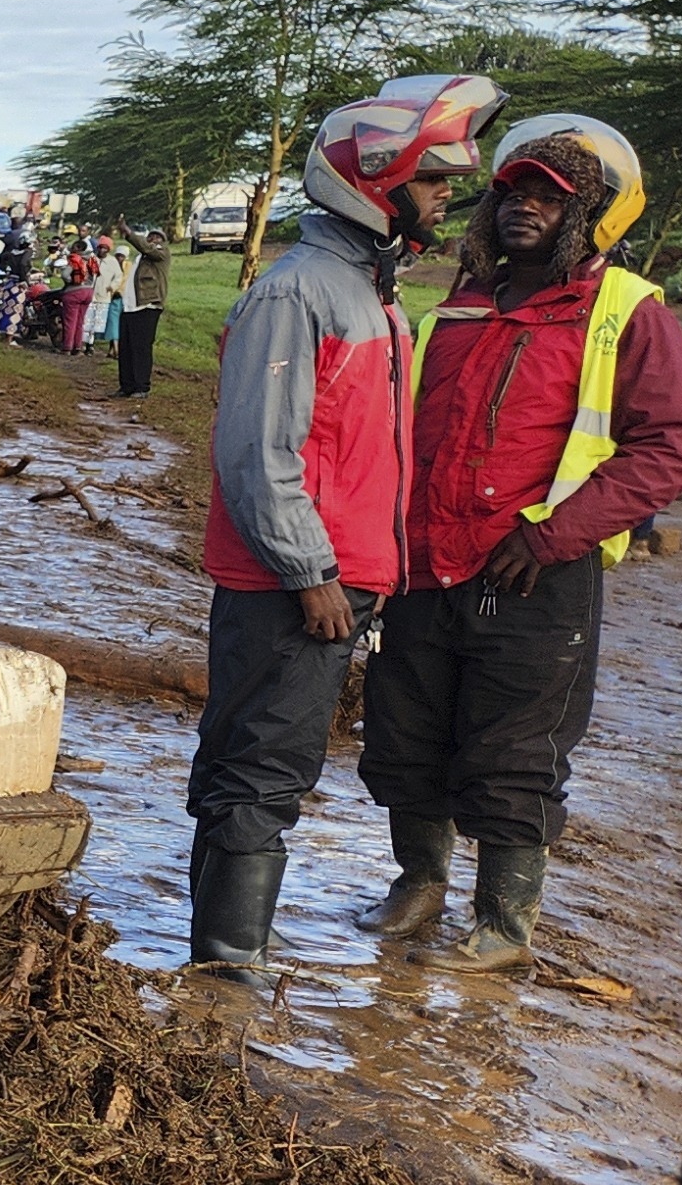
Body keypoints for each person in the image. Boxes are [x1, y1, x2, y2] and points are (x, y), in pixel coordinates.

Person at [181, 73, 498, 978]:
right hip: (295, 585)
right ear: (376, 182)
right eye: (432, 179)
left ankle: (222, 951)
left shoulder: (372, 293)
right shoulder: (300, 294)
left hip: (337, 576)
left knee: (252, 762)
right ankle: (229, 969)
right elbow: (256, 451)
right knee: (263, 770)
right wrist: (313, 572)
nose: (446, 196)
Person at [356, 114, 682, 969]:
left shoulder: (627, 312)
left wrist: (552, 537)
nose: (524, 208)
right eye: (512, 193)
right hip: (426, 563)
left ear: (584, 217)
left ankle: (503, 926)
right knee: (407, 731)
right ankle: (418, 883)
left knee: (515, 752)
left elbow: (667, 447)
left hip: (538, 577)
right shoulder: (458, 304)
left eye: (548, 198)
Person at [118, 228, 172, 396]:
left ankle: (142, 386)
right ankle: (127, 386)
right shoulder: (140, 258)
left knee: (141, 348)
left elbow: (147, 248)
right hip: (130, 307)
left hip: (147, 306)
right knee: (126, 348)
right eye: (151, 236)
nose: (154, 239)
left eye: (158, 237)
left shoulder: (162, 254)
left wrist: (129, 233)